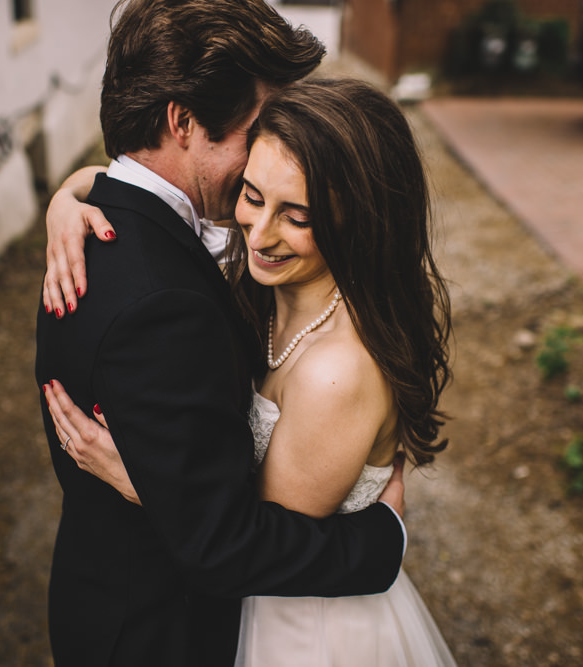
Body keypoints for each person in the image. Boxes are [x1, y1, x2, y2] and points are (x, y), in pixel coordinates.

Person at [34, 1, 409, 665]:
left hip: (100, 590)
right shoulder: (163, 303)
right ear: (182, 121)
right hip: (160, 635)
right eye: (258, 125)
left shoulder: (100, 230)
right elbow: (221, 543)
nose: (267, 150)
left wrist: (68, 194)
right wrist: (383, 543)